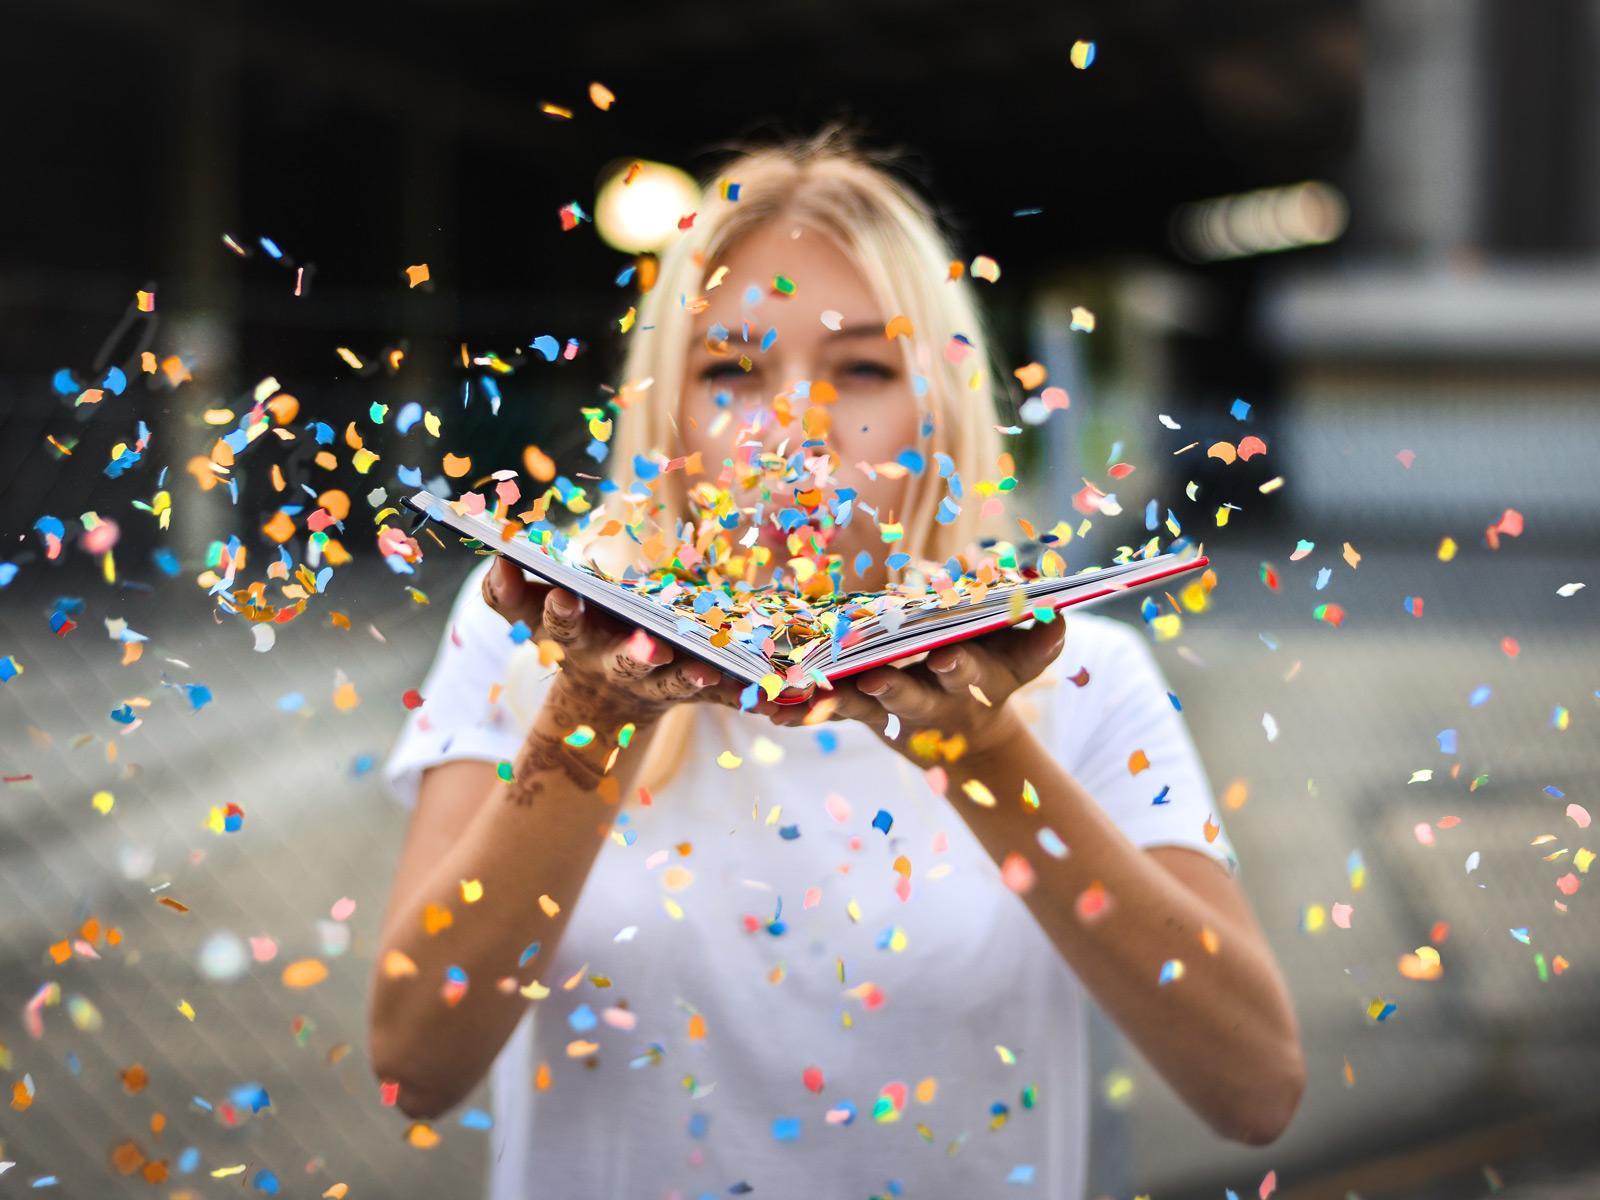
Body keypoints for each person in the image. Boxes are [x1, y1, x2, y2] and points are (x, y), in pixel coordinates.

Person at [369, 129, 1304, 1200]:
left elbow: (1255, 1091)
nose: (792, 430)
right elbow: (413, 1066)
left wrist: (983, 753)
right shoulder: (524, 637)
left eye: (862, 366)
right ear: (666, 410)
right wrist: (594, 710)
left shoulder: (1083, 673)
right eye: (729, 370)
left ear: (940, 411)